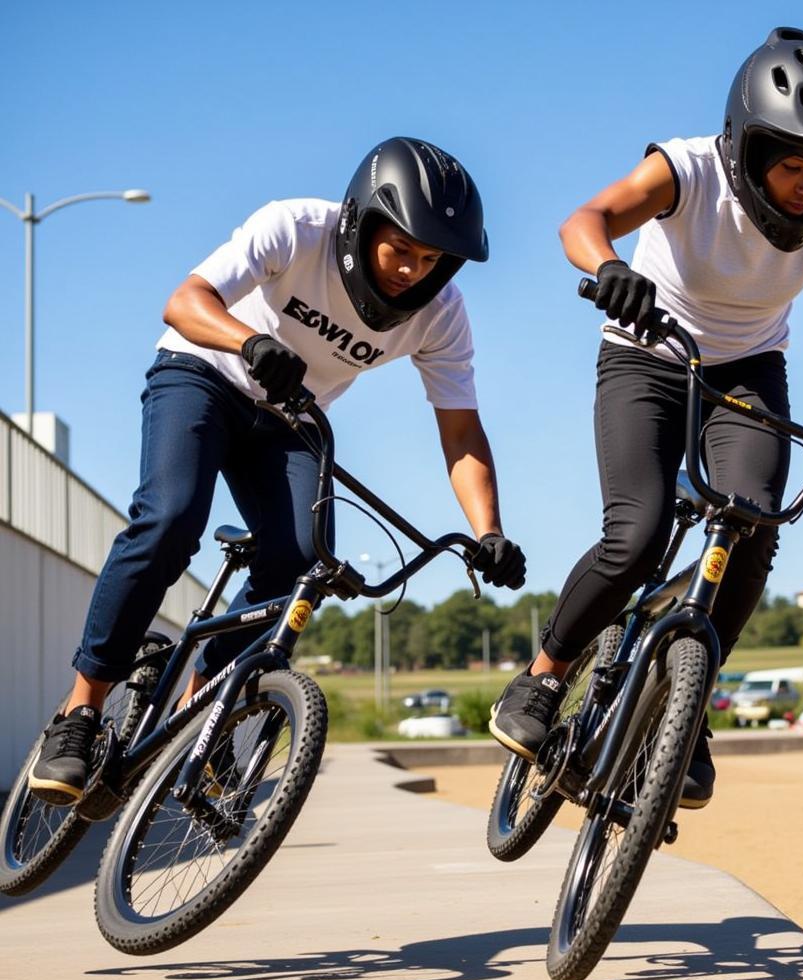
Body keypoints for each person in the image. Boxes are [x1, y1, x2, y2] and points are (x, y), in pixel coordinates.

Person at [489, 26, 803, 809]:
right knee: (634, 536)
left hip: (748, 374)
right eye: (795, 165)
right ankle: (541, 679)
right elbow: (586, 219)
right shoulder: (689, 169)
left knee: (755, 523)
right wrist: (608, 269)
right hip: (647, 353)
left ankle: (686, 706)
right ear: (749, 142)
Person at [28, 137, 527, 805]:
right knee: (172, 519)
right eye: (401, 251)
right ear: (363, 223)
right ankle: (81, 712)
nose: (413, 270)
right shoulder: (295, 228)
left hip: (289, 417)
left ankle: (199, 719)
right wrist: (250, 340)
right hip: (203, 374)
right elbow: (184, 301)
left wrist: (488, 530)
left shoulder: (439, 316)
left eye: (431, 259)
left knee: (299, 561)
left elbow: (461, 431)